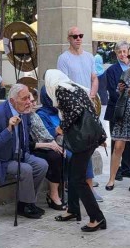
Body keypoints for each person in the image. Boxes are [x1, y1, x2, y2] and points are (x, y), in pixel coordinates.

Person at [44, 69, 107, 232]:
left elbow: (75, 111)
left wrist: (62, 127)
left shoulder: (61, 90)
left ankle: (97, 217)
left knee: (78, 178)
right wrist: (101, 136)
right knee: (73, 173)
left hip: (82, 139)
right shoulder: (74, 88)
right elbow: (90, 110)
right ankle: (73, 210)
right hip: (90, 136)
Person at [0, 84, 49, 219]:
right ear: (12, 101)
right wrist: (8, 129)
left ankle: (26, 203)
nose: (28, 102)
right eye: (24, 99)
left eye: (28, 98)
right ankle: (27, 205)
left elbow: (26, 135)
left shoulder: (23, 111)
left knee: (42, 165)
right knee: (25, 169)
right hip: (2, 160)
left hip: (21, 154)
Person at [57, 26, 102, 201]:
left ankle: (86, 186)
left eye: (80, 35)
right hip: (73, 110)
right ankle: (81, 188)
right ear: (68, 38)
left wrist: (92, 95)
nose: (78, 38)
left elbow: (94, 78)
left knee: (88, 146)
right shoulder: (64, 58)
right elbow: (65, 84)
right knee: (79, 147)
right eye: (74, 36)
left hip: (88, 108)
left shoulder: (89, 57)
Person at [105, 45, 130, 192]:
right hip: (124, 113)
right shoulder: (125, 72)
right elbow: (118, 91)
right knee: (118, 146)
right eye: (129, 56)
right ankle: (111, 178)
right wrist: (120, 89)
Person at [27, 88, 65, 211]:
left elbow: (46, 135)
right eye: (29, 101)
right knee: (54, 157)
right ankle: (53, 195)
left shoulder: (34, 115)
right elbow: (27, 143)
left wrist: (54, 144)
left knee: (61, 153)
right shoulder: (34, 115)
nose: (33, 104)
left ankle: (58, 193)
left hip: (42, 145)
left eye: (34, 101)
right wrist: (51, 144)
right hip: (30, 149)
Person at [104, 41, 130, 181]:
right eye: (119, 52)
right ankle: (115, 171)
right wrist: (128, 99)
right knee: (116, 141)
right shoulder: (111, 70)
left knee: (129, 140)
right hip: (116, 109)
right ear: (116, 54)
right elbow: (112, 90)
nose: (123, 54)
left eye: (124, 51)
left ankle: (127, 168)